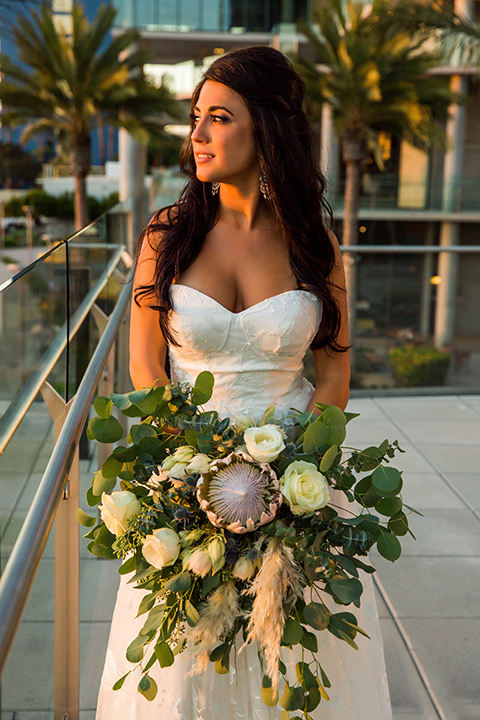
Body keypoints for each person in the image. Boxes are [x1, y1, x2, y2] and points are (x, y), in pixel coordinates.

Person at [96, 46, 392, 719]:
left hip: (295, 484)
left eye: (218, 118)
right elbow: (144, 368)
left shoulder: (315, 242)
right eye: (195, 117)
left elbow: (335, 372)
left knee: (294, 664)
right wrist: (186, 469)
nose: (196, 135)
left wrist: (294, 482)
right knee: (187, 666)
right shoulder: (165, 235)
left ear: (267, 130)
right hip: (180, 480)